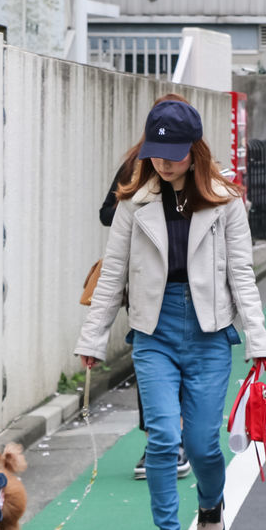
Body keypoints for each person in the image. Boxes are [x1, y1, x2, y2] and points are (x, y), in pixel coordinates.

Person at [75, 98, 266, 530]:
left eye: (175, 153)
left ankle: (211, 504)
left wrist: (258, 340)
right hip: (154, 331)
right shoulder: (132, 201)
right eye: (157, 152)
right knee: (163, 438)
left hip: (209, 333)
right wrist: (93, 337)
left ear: (195, 149)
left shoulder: (227, 200)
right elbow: (113, 275)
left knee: (203, 443)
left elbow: (242, 275)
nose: (165, 162)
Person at [99, 119, 191, 483]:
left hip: (188, 288)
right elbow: (107, 210)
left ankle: (179, 439)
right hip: (143, 283)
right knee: (151, 368)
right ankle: (157, 441)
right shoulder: (137, 164)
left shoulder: (198, 172)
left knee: (184, 368)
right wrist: (137, 209)